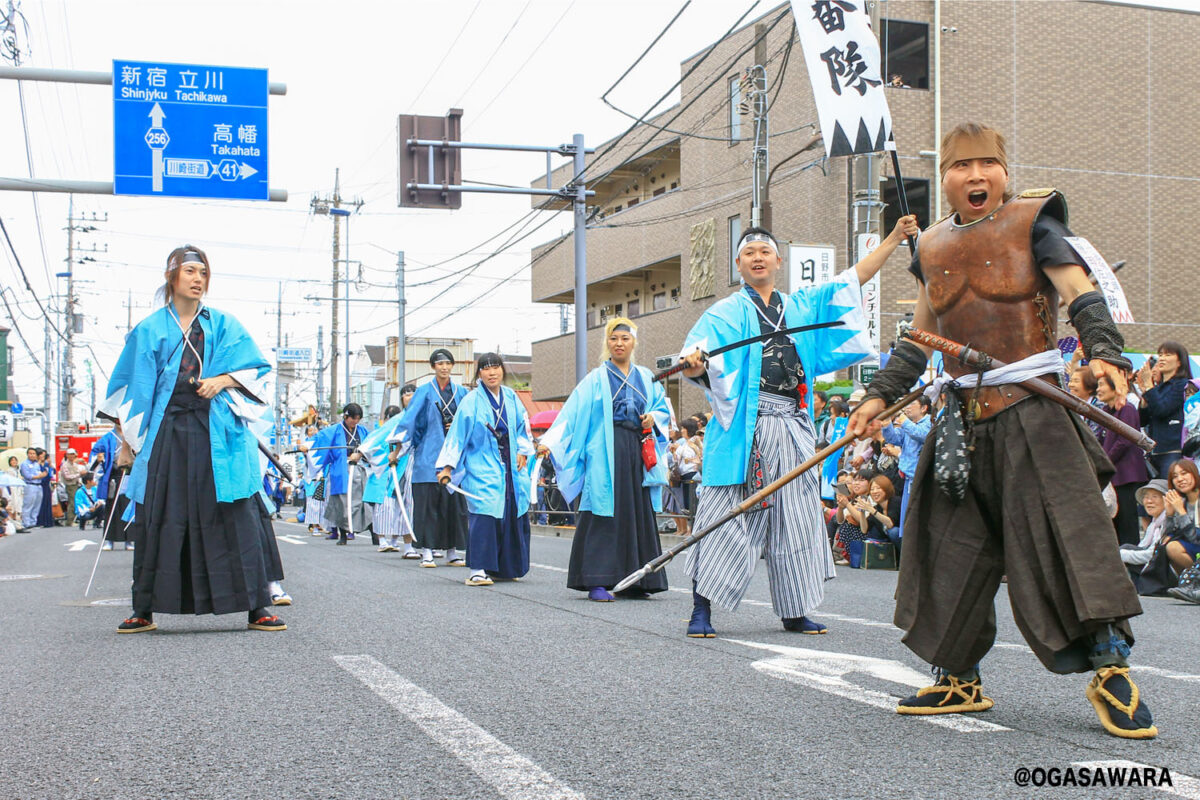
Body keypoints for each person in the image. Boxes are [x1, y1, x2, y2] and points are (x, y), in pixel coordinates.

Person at [848, 122, 1154, 738]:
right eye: (962, 166)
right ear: (947, 179)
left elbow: (1079, 291)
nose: (977, 176)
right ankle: (958, 675)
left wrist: (1103, 350)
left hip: (1034, 411)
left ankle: (1110, 669)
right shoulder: (929, 247)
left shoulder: (1036, 222)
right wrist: (881, 393)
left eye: (989, 163)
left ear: (1005, 172)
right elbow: (921, 334)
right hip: (960, 417)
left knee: (1070, 538)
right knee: (945, 547)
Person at [679, 213, 920, 637]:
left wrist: (894, 238)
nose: (757, 258)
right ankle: (702, 609)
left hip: (793, 425)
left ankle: (795, 609)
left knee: (796, 516)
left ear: (778, 262)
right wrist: (697, 363)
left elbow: (852, 280)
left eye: (765, 252)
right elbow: (698, 358)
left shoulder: (801, 306)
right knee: (723, 515)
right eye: (748, 253)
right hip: (743, 431)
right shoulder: (723, 313)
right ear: (738, 265)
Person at [99, 245, 285, 633]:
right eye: (190, 271)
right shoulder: (149, 329)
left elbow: (256, 369)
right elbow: (128, 389)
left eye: (203, 272)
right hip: (167, 434)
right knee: (160, 516)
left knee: (238, 515)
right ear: (171, 276)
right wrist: (128, 441)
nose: (198, 278)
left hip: (220, 434)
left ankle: (258, 606)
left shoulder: (224, 324)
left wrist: (223, 380)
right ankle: (144, 608)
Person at [540, 317, 674, 601]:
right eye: (613, 339)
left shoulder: (647, 377)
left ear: (633, 342)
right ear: (607, 343)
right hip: (605, 449)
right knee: (602, 509)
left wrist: (654, 416)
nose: (619, 344)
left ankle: (637, 580)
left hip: (638, 447)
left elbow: (664, 409)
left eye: (625, 339)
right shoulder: (596, 378)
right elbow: (572, 413)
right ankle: (596, 580)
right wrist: (549, 442)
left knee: (637, 509)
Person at [437, 353, 535, 586]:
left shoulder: (511, 397)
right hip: (482, 465)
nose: (492, 373)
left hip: (511, 466)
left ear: (502, 370)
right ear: (479, 373)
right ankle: (478, 569)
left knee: (512, 512)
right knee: (485, 514)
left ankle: (505, 567)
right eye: (486, 368)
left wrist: (523, 450)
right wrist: (447, 467)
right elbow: (457, 436)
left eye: (496, 368)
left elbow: (524, 429)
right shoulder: (471, 401)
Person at [389, 349, 469, 567]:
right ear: (433, 367)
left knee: (453, 507)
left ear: (453, 366)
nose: (444, 367)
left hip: (454, 461)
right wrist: (396, 450)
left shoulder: (462, 393)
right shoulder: (423, 392)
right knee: (428, 507)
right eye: (439, 363)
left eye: (447, 363)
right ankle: (427, 551)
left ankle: (452, 551)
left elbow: (470, 420)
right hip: (427, 457)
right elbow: (409, 421)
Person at [302, 404, 370, 546]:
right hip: (341, 471)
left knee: (361, 502)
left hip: (359, 469)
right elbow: (318, 440)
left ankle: (373, 533)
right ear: (345, 417)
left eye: (358, 419)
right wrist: (306, 446)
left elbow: (371, 445)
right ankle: (343, 534)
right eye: (353, 418)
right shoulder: (334, 431)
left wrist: (361, 454)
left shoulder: (363, 430)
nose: (355, 422)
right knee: (341, 503)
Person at [1097, 375, 1149, 546]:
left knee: (1128, 522)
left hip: (1127, 474)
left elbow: (1125, 440)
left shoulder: (1127, 409)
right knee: (1114, 522)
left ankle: (1131, 565)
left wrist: (1106, 460)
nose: (1098, 389)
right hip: (1112, 475)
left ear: (1115, 388)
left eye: (1102, 385)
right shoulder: (1105, 411)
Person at [1138, 342, 1192, 478]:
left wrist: (1149, 387)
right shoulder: (1158, 388)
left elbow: (1162, 410)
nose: (1162, 358)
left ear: (1180, 361)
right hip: (1154, 451)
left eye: (1168, 355)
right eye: (1160, 354)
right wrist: (1145, 394)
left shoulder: (1183, 385)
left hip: (1173, 451)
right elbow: (1142, 421)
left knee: (1170, 492)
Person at [880, 396, 931, 534]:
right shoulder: (909, 424)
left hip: (920, 479)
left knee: (915, 520)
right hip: (908, 478)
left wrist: (905, 422)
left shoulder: (929, 422)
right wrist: (887, 425)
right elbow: (894, 439)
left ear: (924, 408)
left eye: (911, 403)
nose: (907, 407)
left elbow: (924, 435)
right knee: (907, 520)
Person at [1119, 479, 1168, 578]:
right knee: (1126, 548)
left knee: (1124, 551)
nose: (1149, 501)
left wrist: (1119, 555)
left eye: (1155, 496)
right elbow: (1141, 548)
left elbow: (1152, 554)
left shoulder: (1167, 522)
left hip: (1165, 570)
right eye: (1146, 497)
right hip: (1153, 564)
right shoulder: (1154, 524)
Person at [1161, 459, 1200, 573]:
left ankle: (1195, 580)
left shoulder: (1181, 505)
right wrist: (1169, 514)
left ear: (1194, 474)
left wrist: (1181, 512)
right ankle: (1188, 582)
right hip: (1195, 550)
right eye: (1175, 476)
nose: (1180, 479)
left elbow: (1195, 539)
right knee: (1169, 545)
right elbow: (1164, 538)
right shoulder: (1181, 502)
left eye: (1184, 473)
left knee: (1173, 548)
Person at [300, 424, 328, 536]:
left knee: (323, 502)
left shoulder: (323, 443)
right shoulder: (306, 444)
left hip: (323, 475)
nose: (313, 432)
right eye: (310, 431)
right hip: (311, 477)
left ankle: (323, 525)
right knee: (313, 502)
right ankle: (314, 526)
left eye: (315, 430)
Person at [1067, 364, 1104, 440]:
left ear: (1090, 386)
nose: (1071, 385)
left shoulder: (1099, 407)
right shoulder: (1067, 404)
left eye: (1076, 381)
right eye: (1071, 381)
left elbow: (1094, 435)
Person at [18, 448, 45, 530]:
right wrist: (39, 476)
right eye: (30, 453)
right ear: (27, 454)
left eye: (34, 454)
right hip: (30, 485)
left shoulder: (37, 464)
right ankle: (26, 523)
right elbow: (28, 476)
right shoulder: (24, 464)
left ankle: (33, 522)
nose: (32, 455)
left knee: (37, 505)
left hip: (38, 485)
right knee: (28, 504)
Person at [58, 448, 85, 527]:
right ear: (67, 455)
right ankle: (70, 521)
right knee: (72, 503)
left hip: (76, 484)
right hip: (70, 485)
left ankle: (74, 519)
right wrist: (79, 474)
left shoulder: (74, 464)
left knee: (75, 502)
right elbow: (67, 477)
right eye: (70, 454)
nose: (72, 456)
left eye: (73, 454)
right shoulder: (65, 465)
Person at [36, 449, 55, 527]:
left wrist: (51, 466)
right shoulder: (36, 464)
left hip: (47, 484)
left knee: (47, 502)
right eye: (41, 455)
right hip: (40, 484)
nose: (42, 457)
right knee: (40, 503)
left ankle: (48, 521)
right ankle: (40, 521)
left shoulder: (47, 464)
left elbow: (52, 472)